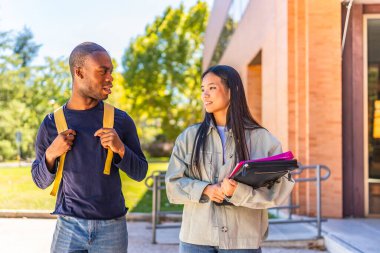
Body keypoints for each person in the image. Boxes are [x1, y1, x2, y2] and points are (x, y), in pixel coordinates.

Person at [31, 42, 148, 253]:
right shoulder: (51, 124)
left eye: (111, 71)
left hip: (112, 228)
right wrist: (51, 154)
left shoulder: (120, 121)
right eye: (103, 71)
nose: (110, 78)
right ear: (79, 72)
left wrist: (120, 148)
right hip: (68, 227)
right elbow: (39, 181)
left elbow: (140, 173)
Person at [165, 65, 295, 252]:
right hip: (196, 239)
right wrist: (206, 190)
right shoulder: (189, 137)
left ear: (232, 91)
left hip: (243, 241)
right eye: (202, 89)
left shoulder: (262, 139)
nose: (205, 95)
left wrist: (239, 192)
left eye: (212, 88)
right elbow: (172, 184)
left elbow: (278, 190)